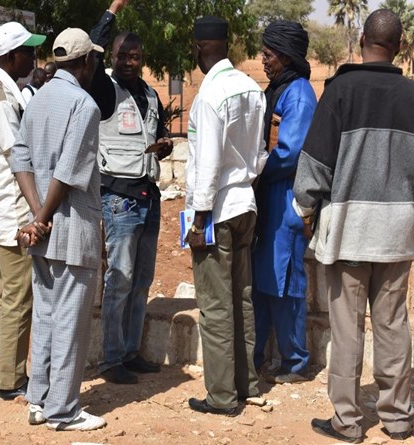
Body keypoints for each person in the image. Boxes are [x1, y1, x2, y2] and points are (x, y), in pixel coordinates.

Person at [293, 9, 414, 443]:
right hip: (398, 233)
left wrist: (305, 209)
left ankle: (347, 422)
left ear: (362, 39)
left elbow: (315, 164)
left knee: (347, 328)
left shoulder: (340, 91)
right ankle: (399, 418)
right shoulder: (411, 95)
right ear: (399, 46)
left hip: (347, 230)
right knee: (393, 323)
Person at [11, 28, 107, 431]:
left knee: (47, 314)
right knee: (69, 318)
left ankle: (39, 399)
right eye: (94, 60)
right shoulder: (84, 105)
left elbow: (20, 156)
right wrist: (45, 216)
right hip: (70, 227)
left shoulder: (39, 97)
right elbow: (68, 171)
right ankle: (62, 410)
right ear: (85, 62)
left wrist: (36, 215)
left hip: (44, 227)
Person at [184, 16, 268, 417]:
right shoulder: (253, 88)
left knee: (216, 307)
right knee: (242, 300)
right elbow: (259, 156)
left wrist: (198, 222)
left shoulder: (210, 95)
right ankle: (247, 384)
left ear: (200, 48)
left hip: (216, 211)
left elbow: (208, 165)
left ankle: (221, 397)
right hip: (246, 205)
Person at [90, 0, 173, 385]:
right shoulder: (105, 89)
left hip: (148, 196)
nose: (127, 62)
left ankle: (129, 352)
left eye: (134, 56)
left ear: (142, 59)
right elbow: (91, 52)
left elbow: (157, 136)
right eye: (122, 55)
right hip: (118, 199)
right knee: (118, 280)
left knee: (141, 281)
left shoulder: (151, 95)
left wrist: (165, 144)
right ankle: (110, 359)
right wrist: (112, 11)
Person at [0, 21, 46, 401]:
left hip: (11, 209)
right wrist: (38, 212)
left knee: (19, 296)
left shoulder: (7, 89)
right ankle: (11, 381)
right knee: (17, 297)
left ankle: (16, 375)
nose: (33, 56)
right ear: (10, 56)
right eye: (28, 51)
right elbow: (17, 157)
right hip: (13, 212)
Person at [251, 20, 316, 384]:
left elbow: (290, 154)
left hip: (286, 196)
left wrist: (256, 171)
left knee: (286, 282)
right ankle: (257, 356)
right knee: (263, 281)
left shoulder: (300, 93)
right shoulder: (276, 90)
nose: (264, 60)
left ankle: (295, 362)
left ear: (287, 56)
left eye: (269, 54)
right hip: (266, 197)